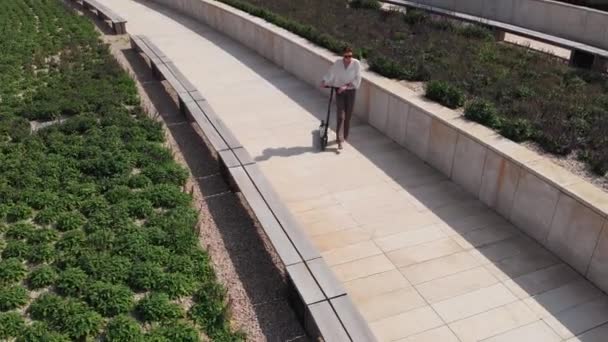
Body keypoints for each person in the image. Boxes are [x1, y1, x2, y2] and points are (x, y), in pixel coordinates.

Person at [321, 46, 362, 150]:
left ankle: (344, 137)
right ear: (342, 55)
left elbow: (358, 78)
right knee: (341, 116)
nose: (348, 58)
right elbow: (331, 73)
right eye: (346, 56)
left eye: (350, 56)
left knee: (348, 116)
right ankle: (339, 139)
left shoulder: (356, 64)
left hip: (351, 92)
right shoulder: (338, 63)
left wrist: (347, 86)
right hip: (339, 91)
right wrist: (324, 81)